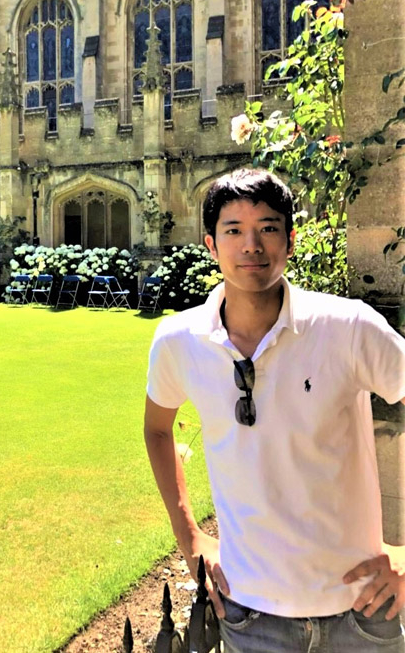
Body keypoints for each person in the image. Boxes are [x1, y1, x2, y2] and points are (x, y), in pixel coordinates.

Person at [144, 168, 405, 652]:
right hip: (251, 615)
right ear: (210, 243)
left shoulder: (348, 327)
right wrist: (191, 540)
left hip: (360, 614)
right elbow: (157, 430)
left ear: (290, 239)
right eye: (234, 231)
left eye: (267, 228)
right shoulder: (179, 341)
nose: (251, 246)